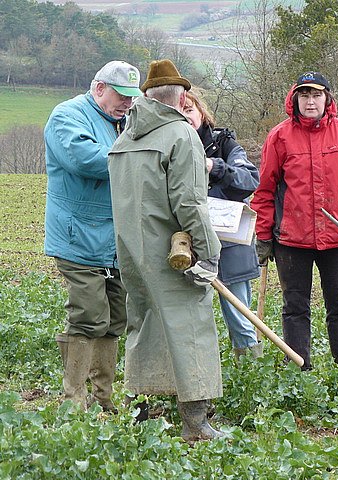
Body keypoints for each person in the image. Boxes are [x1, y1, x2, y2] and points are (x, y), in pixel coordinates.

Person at [108, 59, 224, 442]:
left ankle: (139, 415)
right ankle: (196, 424)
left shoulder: (124, 138)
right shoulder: (180, 134)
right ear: (183, 95)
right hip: (174, 254)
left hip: (131, 251)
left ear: (147, 96)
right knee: (190, 326)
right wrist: (208, 252)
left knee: (143, 325)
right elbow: (189, 202)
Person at [250, 72, 338, 372]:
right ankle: (298, 369)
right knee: (295, 308)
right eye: (304, 95)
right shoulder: (279, 137)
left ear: (327, 99)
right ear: (295, 99)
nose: (310, 101)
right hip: (292, 240)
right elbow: (265, 190)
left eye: (316, 95)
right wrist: (264, 235)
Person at [44, 60, 142, 411]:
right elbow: (84, 159)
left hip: (116, 240)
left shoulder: (125, 122)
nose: (128, 103)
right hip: (78, 236)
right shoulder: (67, 116)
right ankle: (74, 401)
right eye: (121, 95)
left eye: (133, 97)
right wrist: (139, 159)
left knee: (116, 318)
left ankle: (104, 399)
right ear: (99, 87)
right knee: (88, 315)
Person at [182, 91, 263, 360]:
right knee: (189, 320)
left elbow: (248, 180)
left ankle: (251, 377)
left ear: (202, 113)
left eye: (190, 109)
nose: (186, 116)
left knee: (240, 318)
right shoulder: (168, 148)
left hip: (229, 248)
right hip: (185, 249)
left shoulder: (225, 145)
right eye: (179, 111)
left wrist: (213, 167)